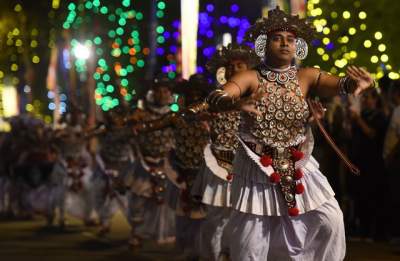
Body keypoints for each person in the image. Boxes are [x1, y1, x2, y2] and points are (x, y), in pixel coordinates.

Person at [201, 7, 374, 260]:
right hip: (258, 166)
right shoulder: (250, 76)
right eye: (277, 38)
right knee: (250, 241)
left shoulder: (306, 75)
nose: (284, 43)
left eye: (290, 39)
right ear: (264, 43)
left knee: (330, 220)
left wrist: (356, 84)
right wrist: (235, 103)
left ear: (297, 46)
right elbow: (218, 95)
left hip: (298, 162)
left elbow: (339, 84)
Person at [191, 43, 258, 261]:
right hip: (220, 165)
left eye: (239, 65)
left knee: (245, 221)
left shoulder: (260, 95)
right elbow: (196, 111)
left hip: (251, 168)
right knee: (215, 221)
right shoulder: (216, 96)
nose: (233, 69)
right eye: (230, 66)